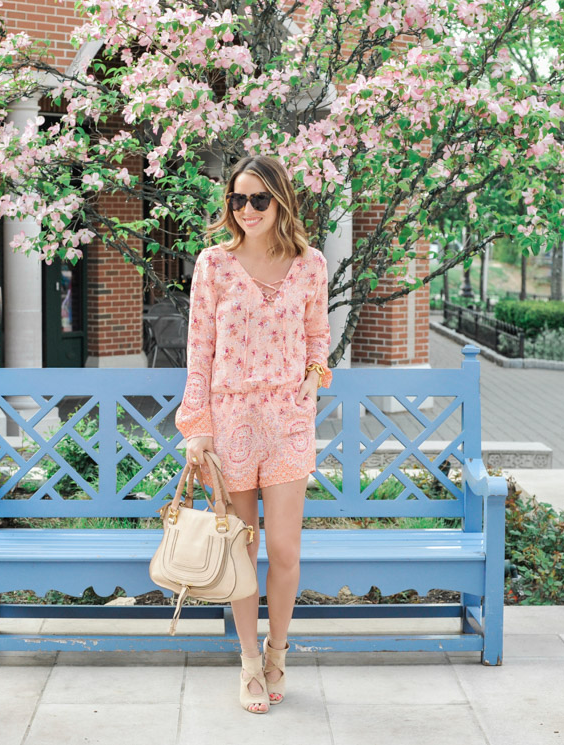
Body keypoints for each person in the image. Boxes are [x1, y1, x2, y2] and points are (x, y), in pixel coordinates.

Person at [175, 154, 332, 714]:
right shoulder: (213, 265)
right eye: (238, 200)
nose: (247, 210)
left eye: (258, 199)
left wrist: (311, 387)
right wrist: (198, 426)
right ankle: (246, 662)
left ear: (281, 201)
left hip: (287, 422)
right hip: (231, 419)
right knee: (242, 549)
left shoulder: (310, 265)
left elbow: (318, 338)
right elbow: (199, 348)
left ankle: (278, 652)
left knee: (285, 549)